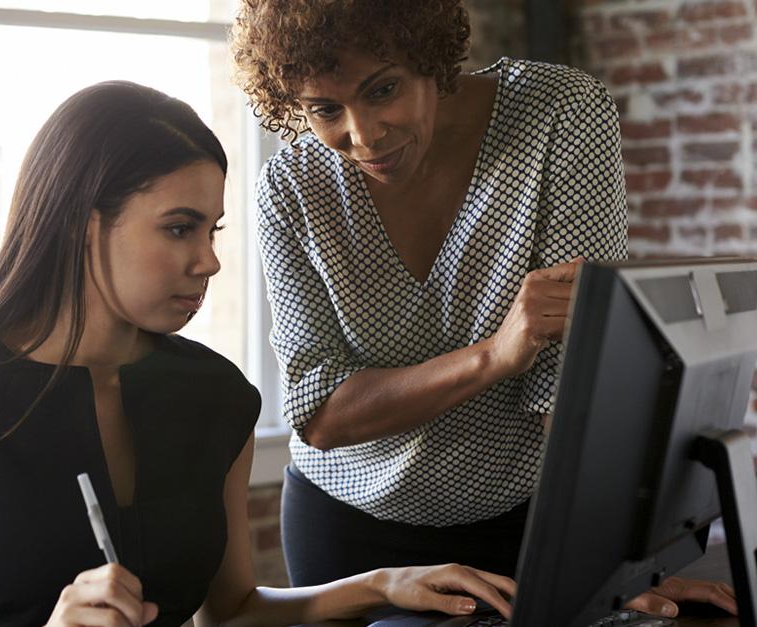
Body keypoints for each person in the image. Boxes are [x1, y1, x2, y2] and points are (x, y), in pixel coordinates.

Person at [0, 80, 523, 627]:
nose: (207, 261)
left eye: (212, 230)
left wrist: (383, 583)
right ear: (79, 223)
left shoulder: (216, 396)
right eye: (179, 228)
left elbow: (231, 610)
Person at [229, 0, 737, 619]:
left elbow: (567, 376)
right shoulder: (290, 187)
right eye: (324, 109)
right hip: (349, 532)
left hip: (525, 521)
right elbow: (320, 412)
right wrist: (495, 355)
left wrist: (610, 565)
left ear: (430, 57)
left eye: (382, 89)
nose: (363, 136)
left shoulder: (558, 114)